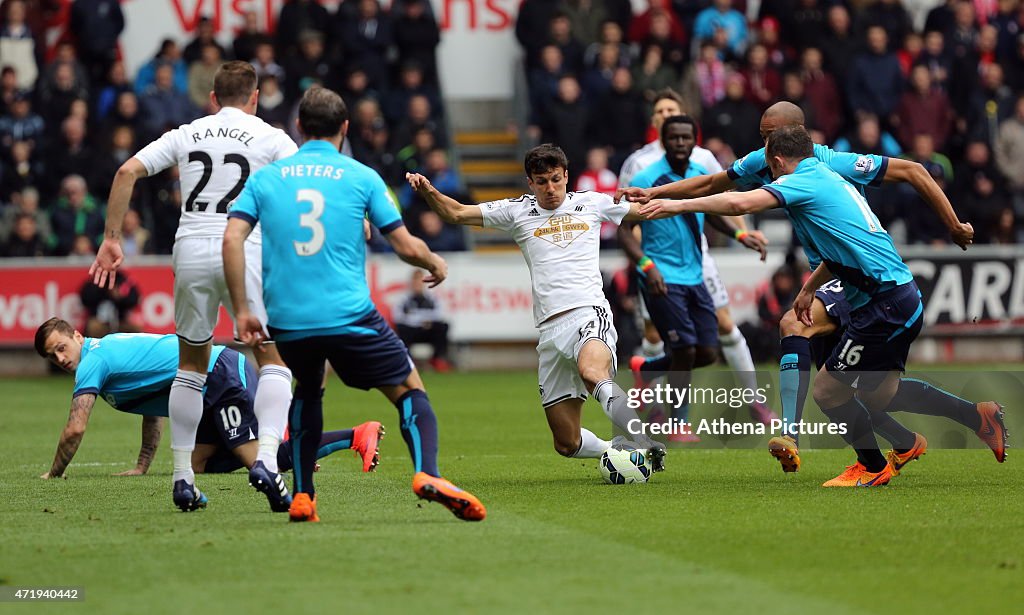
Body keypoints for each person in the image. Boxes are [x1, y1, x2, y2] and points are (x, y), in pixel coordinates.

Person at [618, 101, 976, 472]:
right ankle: (926, 434)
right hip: (833, 271)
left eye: (771, 136)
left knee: (799, 335)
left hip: (861, 276)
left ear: (796, 134)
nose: (764, 145)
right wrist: (658, 193)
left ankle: (796, 435)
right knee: (861, 390)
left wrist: (952, 224)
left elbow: (913, 170)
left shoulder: (830, 164)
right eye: (762, 136)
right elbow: (713, 183)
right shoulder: (765, 160)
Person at [223, 86, 485, 523]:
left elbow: (232, 238)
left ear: (299, 128)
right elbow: (402, 244)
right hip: (349, 316)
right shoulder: (362, 176)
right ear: (345, 128)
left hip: (287, 318)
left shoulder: (266, 178)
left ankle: (304, 496)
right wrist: (433, 260)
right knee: (408, 389)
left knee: (308, 391)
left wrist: (243, 308)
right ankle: (428, 473)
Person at [90, 61, 299, 513]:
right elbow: (301, 185)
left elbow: (126, 171)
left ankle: (183, 478)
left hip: (190, 249)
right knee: (273, 359)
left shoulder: (187, 132)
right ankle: (265, 460)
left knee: (190, 365)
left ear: (212, 98)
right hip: (243, 248)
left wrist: (111, 239)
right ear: (255, 97)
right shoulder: (271, 137)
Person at [405, 143, 667, 472]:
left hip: (588, 312)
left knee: (592, 372)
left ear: (567, 176)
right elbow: (456, 212)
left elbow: (647, 212)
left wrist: (700, 202)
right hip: (549, 331)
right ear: (530, 183)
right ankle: (616, 450)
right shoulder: (518, 211)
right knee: (567, 443)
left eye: (556, 179)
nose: (550, 188)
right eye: (541, 181)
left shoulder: (592, 202)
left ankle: (641, 438)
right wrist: (429, 190)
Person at [34, 318, 383, 493]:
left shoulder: (93, 361)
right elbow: (153, 409)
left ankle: (355, 435)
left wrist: (55, 473)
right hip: (202, 386)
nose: (61, 358)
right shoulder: (102, 355)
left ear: (77, 335)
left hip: (219, 372)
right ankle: (282, 447)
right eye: (53, 356)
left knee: (261, 464)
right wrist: (142, 465)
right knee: (197, 465)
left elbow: (75, 427)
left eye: (62, 347)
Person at [618, 88, 774, 424]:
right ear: (655, 121)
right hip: (658, 262)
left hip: (698, 260)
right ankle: (660, 408)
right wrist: (642, 263)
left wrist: (741, 232)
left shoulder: (702, 158)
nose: (665, 114)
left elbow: (720, 199)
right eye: (660, 111)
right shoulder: (638, 164)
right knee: (656, 336)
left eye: (671, 108)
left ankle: (755, 401)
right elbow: (627, 217)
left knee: (725, 328)